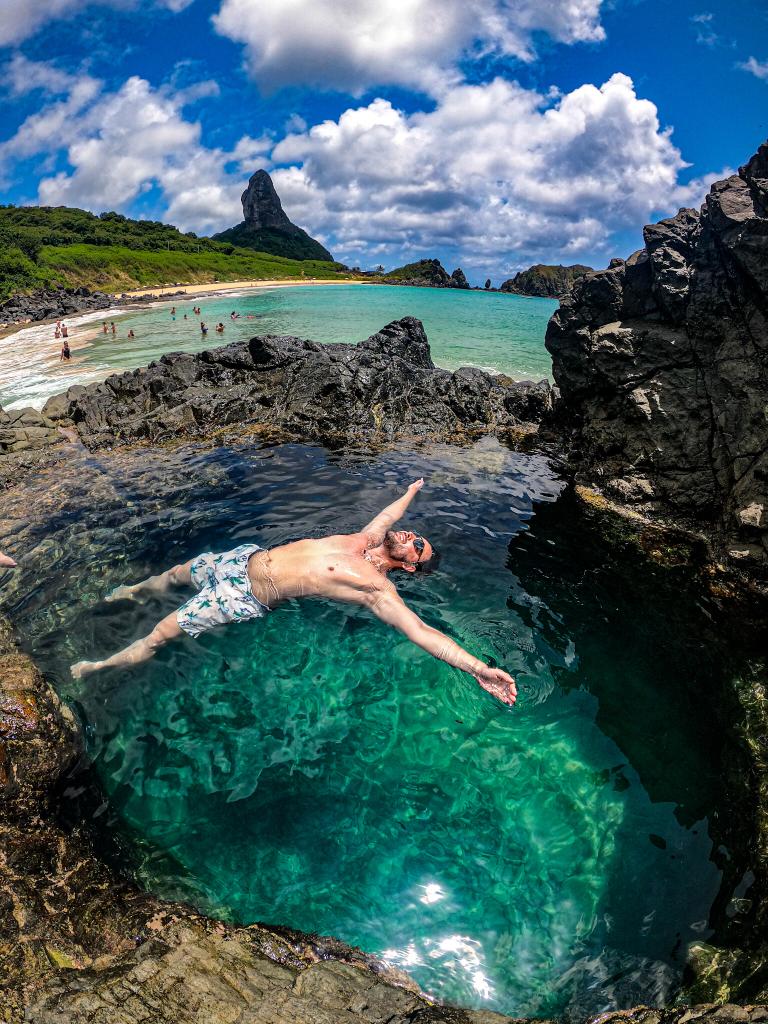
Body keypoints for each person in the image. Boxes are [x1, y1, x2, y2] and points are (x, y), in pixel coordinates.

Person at [70, 480, 516, 705]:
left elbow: (421, 632)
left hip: (244, 595)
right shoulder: (362, 541)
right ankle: (132, 590)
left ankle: (97, 667)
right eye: (417, 535)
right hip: (242, 557)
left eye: (418, 545)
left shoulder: (375, 587)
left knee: (160, 635)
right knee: (173, 573)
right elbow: (387, 515)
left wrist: (478, 668)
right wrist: (410, 492)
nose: (413, 535)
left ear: (411, 566)